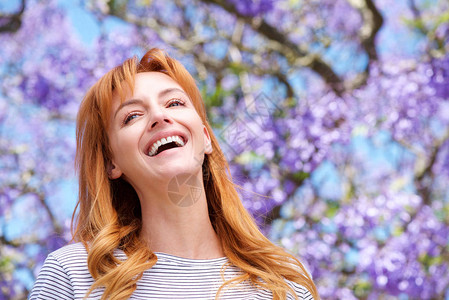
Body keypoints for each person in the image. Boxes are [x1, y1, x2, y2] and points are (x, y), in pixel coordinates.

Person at [30, 48, 319, 300]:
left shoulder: (282, 284)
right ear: (111, 163)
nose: (159, 116)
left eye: (174, 103)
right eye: (132, 116)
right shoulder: (76, 275)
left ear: (205, 137)